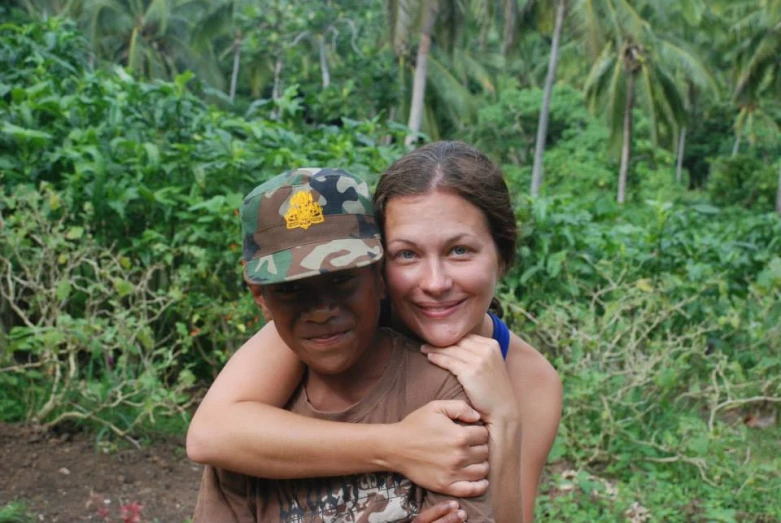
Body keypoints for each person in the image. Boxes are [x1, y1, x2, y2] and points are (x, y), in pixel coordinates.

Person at [187, 141, 563, 522]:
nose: (434, 283)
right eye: (407, 254)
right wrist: (399, 445)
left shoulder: (530, 378)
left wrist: (505, 418)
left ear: (502, 255)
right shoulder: (339, 321)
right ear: (380, 266)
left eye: (460, 251)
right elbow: (212, 433)